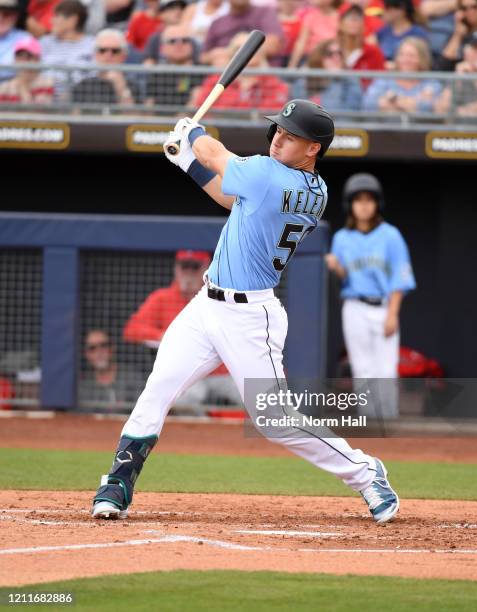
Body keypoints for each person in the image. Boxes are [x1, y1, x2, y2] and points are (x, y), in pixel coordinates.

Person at [91, 98, 401, 527]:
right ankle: (118, 481)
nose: (278, 139)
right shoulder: (314, 190)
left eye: (291, 136)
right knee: (158, 388)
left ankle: (368, 473)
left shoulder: (269, 175)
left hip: (252, 317)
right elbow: (231, 199)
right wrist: (187, 162)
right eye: (278, 130)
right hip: (205, 307)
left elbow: (215, 154)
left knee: (274, 420)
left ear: (313, 148)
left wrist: (189, 132)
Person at [326, 173, 416, 418]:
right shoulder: (342, 238)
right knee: (362, 368)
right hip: (354, 306)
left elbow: (400, 277)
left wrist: (393, 314)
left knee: (385, 370)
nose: (364, 204)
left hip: (383, 306)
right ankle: (369, 421)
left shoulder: (390, 235)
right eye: (358, 200)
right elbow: (343, 278)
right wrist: (336, 267)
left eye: (369, 199)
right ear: (350, 204)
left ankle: (388, 418)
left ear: (377, 203)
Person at [123, 250, 242, 407]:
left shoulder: (222, 298)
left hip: (222, 372)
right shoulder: (162, 298)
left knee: (259, 395)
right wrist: (163, 335)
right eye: (184, 266)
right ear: (176, 269)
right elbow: (132, 330)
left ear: (207, 269)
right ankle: (199, 430)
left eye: (195, 267)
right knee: (186, 399)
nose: (189, 272)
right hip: (186, 375)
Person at [192, 31, 289, 110]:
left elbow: (272, 113)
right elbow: (203, 108)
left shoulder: (272, 82)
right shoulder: (216, 80)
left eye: (252, 47)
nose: (246, 53)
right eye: (238, 48)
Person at [363, 36, 442, 113]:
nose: (406, 60)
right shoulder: (385, 79)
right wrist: (413, 104)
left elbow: (432, 109)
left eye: (412, 56)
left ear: (422, 59)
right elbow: (368, 104)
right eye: (402, 55)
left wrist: (394, 100)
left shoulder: (431, 82)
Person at [79, 329, 145, 413]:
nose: (99, 351)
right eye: (92, 348)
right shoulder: (85, 387)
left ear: (112, 347)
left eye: (103, 345)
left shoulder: (132, 377)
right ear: (87, 354)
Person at [201, 0, 284, 65]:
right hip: (222, 77)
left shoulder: (265, 13)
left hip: (261, 79)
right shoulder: (217, 22)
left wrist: (230, 52)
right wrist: (214, 55)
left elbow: (273, 45)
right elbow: (203, 57)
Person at [290, 38, 362, 111]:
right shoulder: (304, 80)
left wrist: (339, 79)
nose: (336, 57)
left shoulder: (350, 80)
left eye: (339, 53)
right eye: (329, 54)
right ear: (319, 57)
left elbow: (351, 112)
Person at [435, 30, 477, 116]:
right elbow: (440, 110)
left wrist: (459, 111)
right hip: (460, 129)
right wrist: (458, 79)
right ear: (466, 54)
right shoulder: (459, 77)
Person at [71, 28, 138, 106]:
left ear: (123, 56)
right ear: (95, 55)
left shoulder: (133, 86)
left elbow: (133, 115)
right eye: (102, 50)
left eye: (115, 51)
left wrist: (121, 87)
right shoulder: (83, 86)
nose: (108, 55)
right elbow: (75, 116)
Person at [40, 0, 94, 95]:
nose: (51, 20)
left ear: (73, 20)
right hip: (44, 97)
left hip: (79, 99)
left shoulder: (92, 45)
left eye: (56, 16)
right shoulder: (45, 42)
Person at [144, 23, 201, 107]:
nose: (179, 45)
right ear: (162, 48)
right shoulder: (157, 73)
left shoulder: (203, 72)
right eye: (172, 41)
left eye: (185, 40)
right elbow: (149, 103)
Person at [436, 0, 477, 70]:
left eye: (475, 7)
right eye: (464, 8)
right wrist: (458, 34)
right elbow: (442, 68)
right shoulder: (457, 36)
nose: (470, 11)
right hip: (465, 77)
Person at [0, 35, 54, 103]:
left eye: (29, 56)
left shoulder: (46, 82)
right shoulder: (5, 86)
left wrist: (23, 86)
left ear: (38, 59)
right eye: (20, 56)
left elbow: (37, 111)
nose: (23, 61)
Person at [288, 0, 341, 68]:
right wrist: (292, 65)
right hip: (312, 59)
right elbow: (301, 42)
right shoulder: (310, 17)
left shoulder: (339, 17)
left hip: (333, 59)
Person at [0, 0, 28, 81]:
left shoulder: (25, 39)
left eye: (7, 14)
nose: (0, 18)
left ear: (16, 16)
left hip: (10, 90)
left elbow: (27, 72)